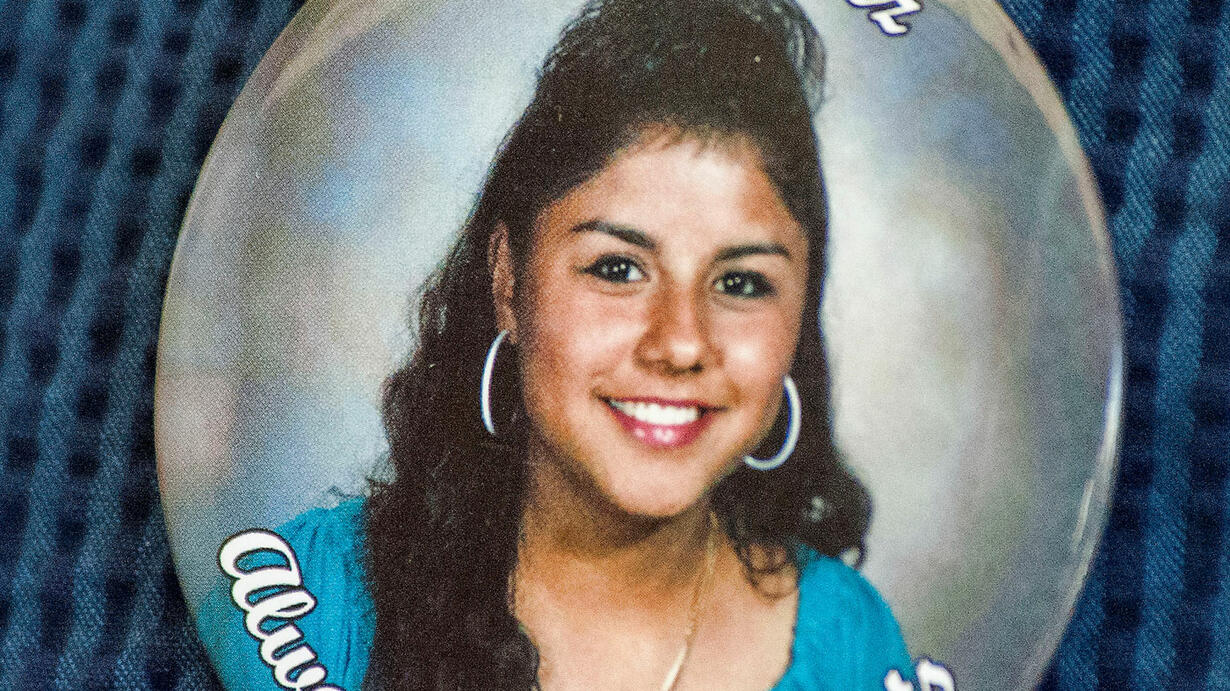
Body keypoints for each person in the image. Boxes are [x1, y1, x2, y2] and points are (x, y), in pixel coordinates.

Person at [198, 0, 914, 688]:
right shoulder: (298, 608)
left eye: (742, 282)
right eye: (617, 269)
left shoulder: (853, 641)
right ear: (508, 281)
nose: (680, 343)